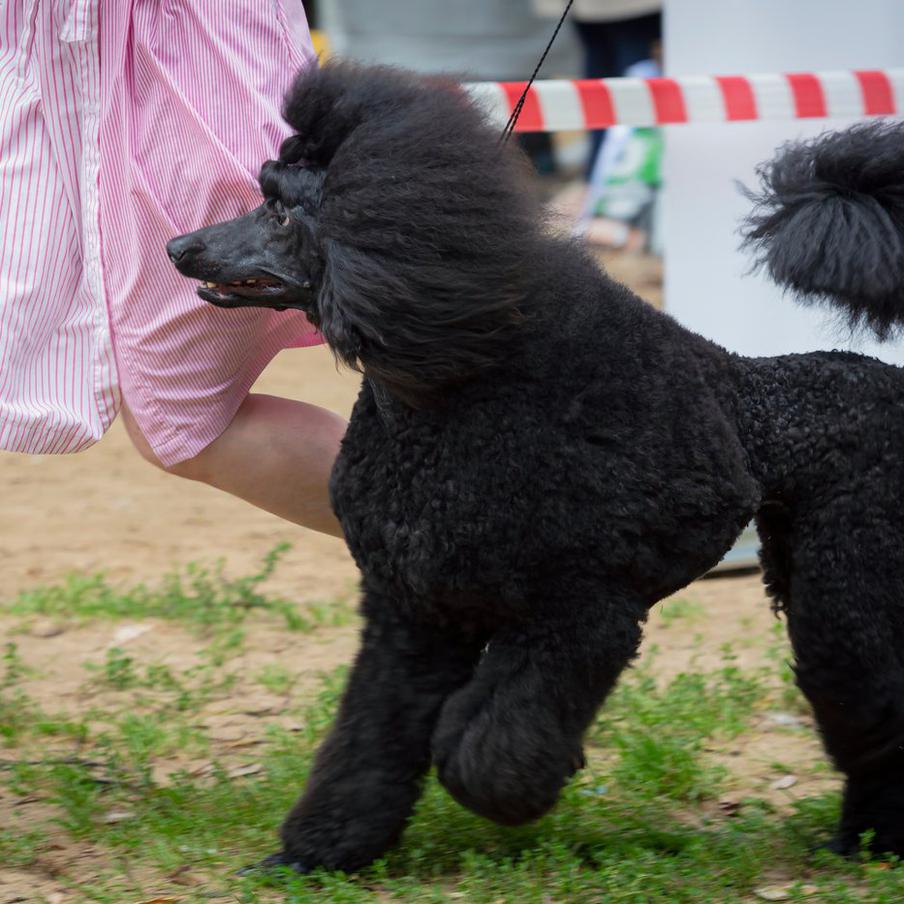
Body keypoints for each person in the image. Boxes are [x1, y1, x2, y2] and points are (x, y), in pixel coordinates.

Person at [0, 1, 346, 538]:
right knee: (180, 420)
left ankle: (484, 547)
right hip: (61, 69)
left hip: (181, 75)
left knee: (183, 419)